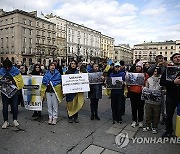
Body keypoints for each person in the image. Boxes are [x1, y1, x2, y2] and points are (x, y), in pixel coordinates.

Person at [160, 53, 180, 138]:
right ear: (172, 60)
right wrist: (173, 82)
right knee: (169, 114)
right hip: (171, 95)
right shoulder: (168, 70)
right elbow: (162, 82)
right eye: (175, 57)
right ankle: (168, 131)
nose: (178, 58)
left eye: (179, 57)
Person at [0, 59, 24, 129]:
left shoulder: (16, 70)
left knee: (14, 106)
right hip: (5, 92)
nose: (7, 68)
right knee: (5, 107)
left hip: (14, 92)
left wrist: (12, 82)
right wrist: (3, 81)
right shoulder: (1, 71)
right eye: (6, 67)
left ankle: (15, 120)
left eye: (8, 67)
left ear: (11, 66)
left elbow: (20, 81)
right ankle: (5, 121)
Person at [128, 61, 149, 128]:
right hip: (132, 92)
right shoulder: (132, 74)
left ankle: (140, 121)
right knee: (133, 107)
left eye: (139, 66)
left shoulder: (145, 75)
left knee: (140, 108)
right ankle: (134, 120)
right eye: (137, 66)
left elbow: (147, 83)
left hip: (141, 93)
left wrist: (145, 86)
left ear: (142, 67)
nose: (138, 67)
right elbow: (128, 82)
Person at [143, 67, 162, 134]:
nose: (155, 72)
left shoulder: (162, 79)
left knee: (156, 114)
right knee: (148, 113)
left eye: (157, 71)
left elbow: (164, 89)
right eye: (154, 71)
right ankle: (148, 125)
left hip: (157, 101)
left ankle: (154, 126)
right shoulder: (149, 79)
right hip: (149, 100)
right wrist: (144, 90)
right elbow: (146, 87)